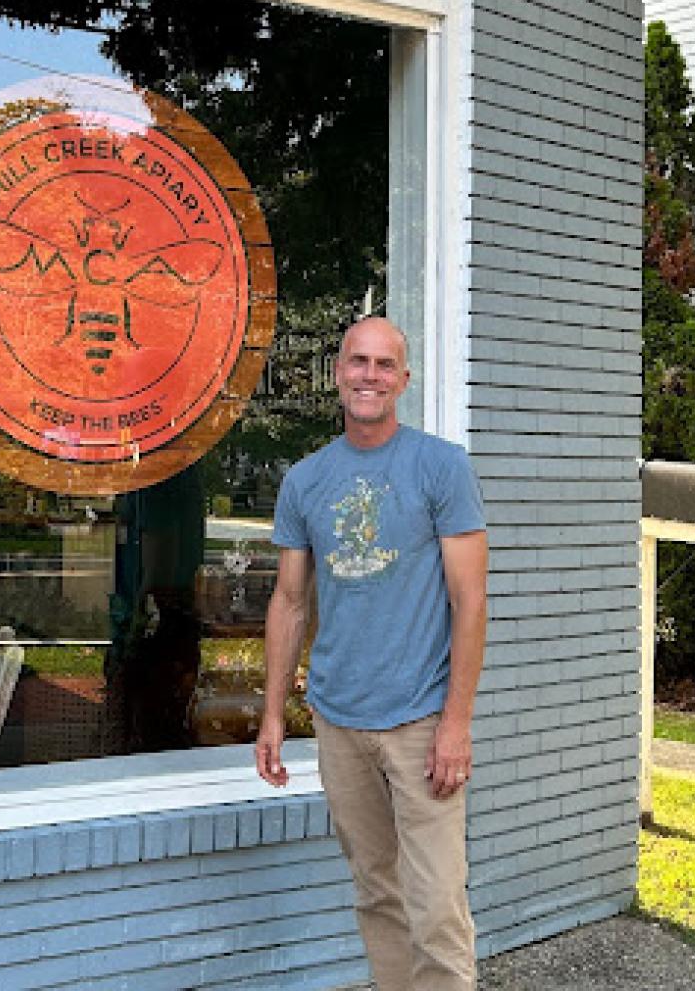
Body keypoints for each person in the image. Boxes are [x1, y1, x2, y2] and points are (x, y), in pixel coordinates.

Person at [255, 316, 488, 991]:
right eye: (358, 362)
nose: (370, 376)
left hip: (420, 721)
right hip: (339, 720)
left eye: (385, 366)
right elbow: (290, 602)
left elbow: (469, 601)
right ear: (337, 374)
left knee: (437, 903)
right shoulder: (306, 480)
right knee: (375, 892)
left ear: (404, 381)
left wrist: (456, 723)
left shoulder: (440, 467)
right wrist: (274, 716)